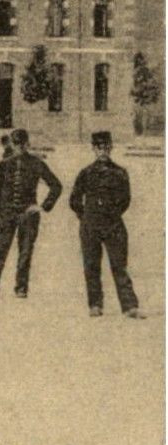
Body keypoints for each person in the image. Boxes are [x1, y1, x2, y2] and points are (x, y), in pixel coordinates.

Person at [0, 128, 62, 299]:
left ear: (27, 144)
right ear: (12, 144)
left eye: (22, 144)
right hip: (5, 213)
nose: (19, 147)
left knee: (25, 252)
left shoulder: (37, 163)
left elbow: (56, 186)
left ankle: (21, 287)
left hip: (27, 215)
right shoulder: (4, 164)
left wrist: (42, 206)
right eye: (16, 144)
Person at [70, 131, 144, 319]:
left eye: (106, 147)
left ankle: (129, 307)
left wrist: (112, 214)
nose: (103, 151)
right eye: (99, 147)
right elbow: (74, 200)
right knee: (91, 265)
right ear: (93, 149)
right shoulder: (85, 173)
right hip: (90, 226)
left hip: (113, 225)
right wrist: (85, 216)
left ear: (111, 148)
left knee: (120, 265)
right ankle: (95, 305)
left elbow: (126, 199)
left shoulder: (120, 172)